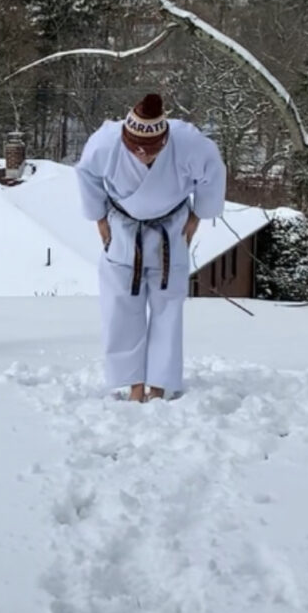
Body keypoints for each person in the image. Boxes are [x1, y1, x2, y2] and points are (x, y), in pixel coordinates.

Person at [75, 93, 226, 402]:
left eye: (151, 149)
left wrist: (198, 216)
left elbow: (213, 174)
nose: (142, 154)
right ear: (126, 137)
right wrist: (99, 218)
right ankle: (132, 384)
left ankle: (158, 384)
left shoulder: (188, 142)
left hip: (171, 229)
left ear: (165, 138)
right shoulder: (106, 142)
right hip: (122, 227)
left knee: (168, 307)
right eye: (136, 148)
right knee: (120, 305)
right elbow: (86, 174)